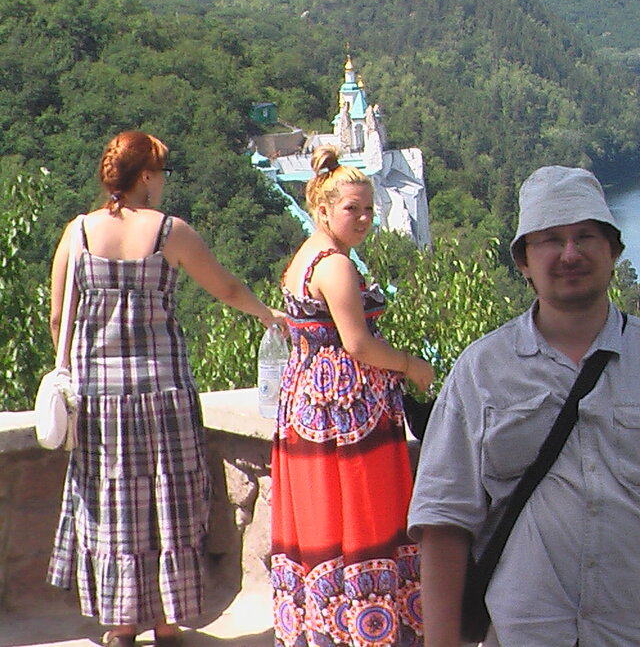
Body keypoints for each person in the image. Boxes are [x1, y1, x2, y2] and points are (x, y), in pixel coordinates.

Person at [409, 165, 640, 647]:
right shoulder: (481, 373)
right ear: (524, 261)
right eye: (550, 239)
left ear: (613, 251)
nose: (570, 253)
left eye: (586, 237)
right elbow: (445, 524)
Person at [46, 130, 285, 647]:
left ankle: (120, 624)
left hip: (99, 398)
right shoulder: (170, 232)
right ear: (147, 177)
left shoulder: (78, 233)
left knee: (113, 506)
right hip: (163, 392)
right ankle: (166, 622)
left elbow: (58, 314)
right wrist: (267, 314)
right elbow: (225, 286)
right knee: (168, 504)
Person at [271, 145, 435, 647]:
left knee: (323, 524)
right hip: (347, 412)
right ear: (323, 209)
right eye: (352, 209)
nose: (364, 218)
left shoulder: (307, 256)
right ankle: (370, 628)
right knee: (362, 517)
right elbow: (358, 343)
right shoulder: (337, 267)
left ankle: (326, 626)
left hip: (308, 402)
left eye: (368, 208)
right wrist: (411, 365)